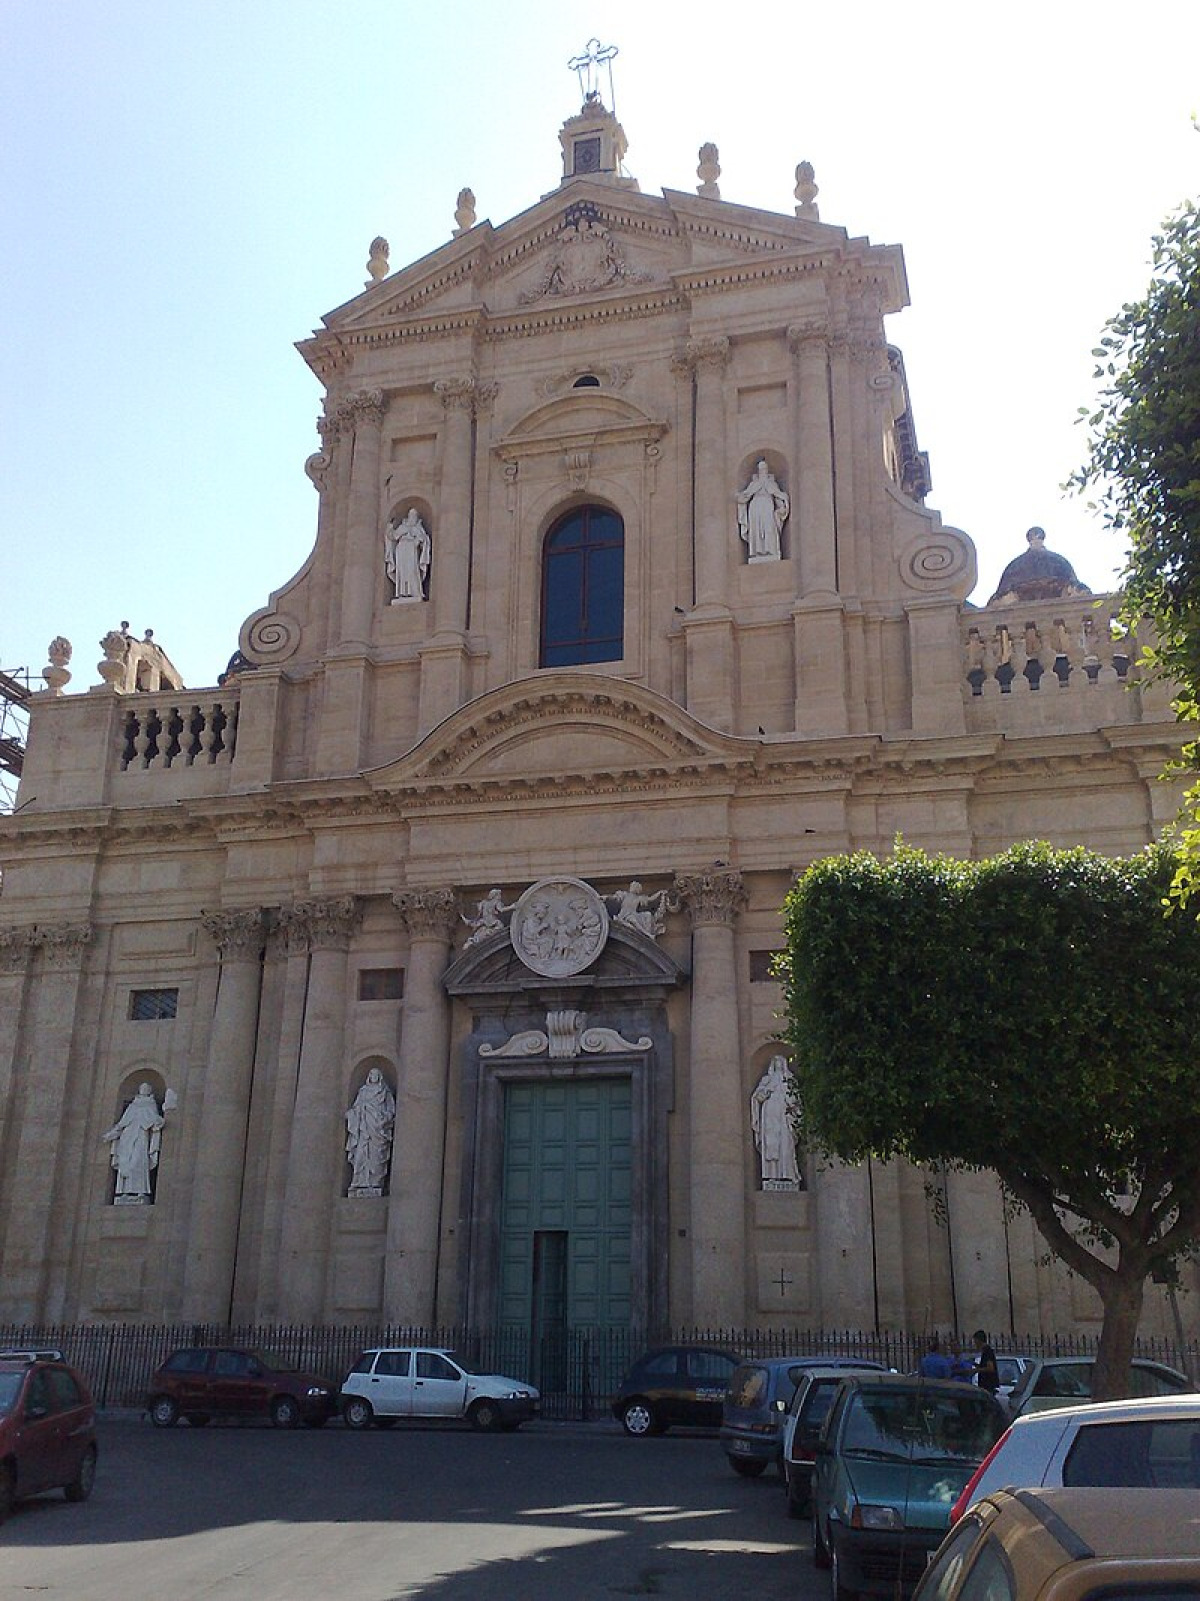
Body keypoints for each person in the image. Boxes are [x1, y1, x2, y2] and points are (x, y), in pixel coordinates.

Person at [101, 1083, 166, 1199]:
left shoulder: (151, 1105)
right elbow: (121, 1124)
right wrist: (110, 1135)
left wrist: (159, 1122)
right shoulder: (132, 1106)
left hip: (141, 1137)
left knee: (138, 1162)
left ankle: (140, 1191)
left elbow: (155, 1121)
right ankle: (124, 1192)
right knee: (125, 1163)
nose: (144, 1090)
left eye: (146, 1088)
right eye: (142, 1088)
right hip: (127, 1138)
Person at [750, 1055, 801, 1184]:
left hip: (784, 1115)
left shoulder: (790, 1080)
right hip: (770, 1113)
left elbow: (796, 1099)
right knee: (771, 1143)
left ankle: (787, 1174)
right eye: (776, 1062)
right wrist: (767, 1091)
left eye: (780, 1062)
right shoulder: (767, 1079)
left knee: (786, 1143)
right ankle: (771, 1175)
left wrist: (791, 1105)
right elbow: (757, 1097)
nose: (778, 1064)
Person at [345, 1068, 397, 1194]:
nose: (374, 1076)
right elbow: (356, 1108)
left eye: (376, 1074)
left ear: (380, 1077)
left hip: (378, 1131)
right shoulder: (363, 1092)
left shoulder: (385, 1092)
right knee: (360, 1155)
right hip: (364, 1130)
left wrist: (381, 1118)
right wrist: (353, 1114)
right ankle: (359, 1181)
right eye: (372, 1074)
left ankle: (375, 1183)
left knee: (376, 1158)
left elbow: (391, 1112)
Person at [736, 460, 790, 562]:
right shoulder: (754, 484)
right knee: (756, 529)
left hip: (767, 506)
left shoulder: (771, 483)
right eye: (761, 469)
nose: (763, 471)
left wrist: (782, 507)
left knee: (769, 527)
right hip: (755, 507)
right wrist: (740, 497)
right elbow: (746, 495)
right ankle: (756, 552)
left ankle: (770, 550)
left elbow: (778, 496)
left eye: (764, 469)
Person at [384, 508, 432, 601]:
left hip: (412, 550)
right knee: (402, 571)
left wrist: (418, 540)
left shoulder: (418, 528)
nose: (412, 518)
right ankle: (402, 592)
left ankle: (414, 592)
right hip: (401, 550)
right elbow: (393, 536)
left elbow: (424, 539)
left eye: (414, 516)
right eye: (411, 515)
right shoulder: (402, 527)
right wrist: (390, 527)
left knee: (412, 570)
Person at [972, 1329, 1000, 1395]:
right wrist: (975, 1365)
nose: (974, 1344)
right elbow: (985, 1366)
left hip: (988, 1386)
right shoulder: (985, 1351)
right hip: (985, 1385)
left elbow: (990, 1368)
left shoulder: (987, 1351)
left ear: (979, 1340)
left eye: (975, 1341)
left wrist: (976, 1370)